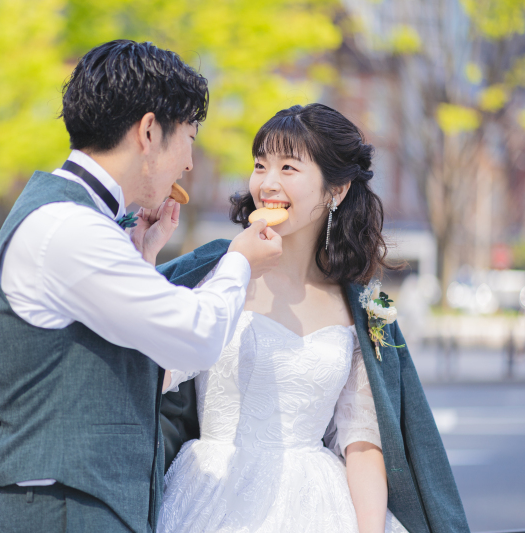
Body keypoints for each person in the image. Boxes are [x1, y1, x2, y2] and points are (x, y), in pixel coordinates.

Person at [0, 40, 282, 533]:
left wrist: (142, 255)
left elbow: (126, 346)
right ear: (148, 130)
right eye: (189, 139)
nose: (188, 164)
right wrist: (239, 261)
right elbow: (195, 335)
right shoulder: (70, 228)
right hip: (66, 513)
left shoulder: (78, 219)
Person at [157, 103, 470, 533]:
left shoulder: (356, 306)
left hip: (318, 504)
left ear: (335, 191)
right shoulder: (222, 270)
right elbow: (159, 368)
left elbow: (361, 442)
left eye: (288, 168)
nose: (267, 183)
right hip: (210, 489)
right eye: (260, 164)